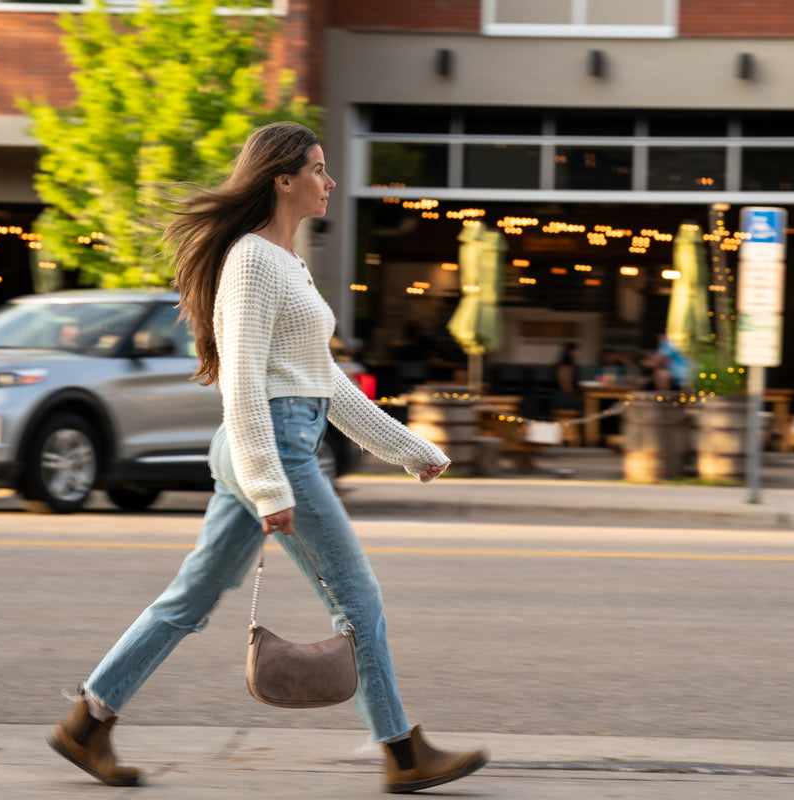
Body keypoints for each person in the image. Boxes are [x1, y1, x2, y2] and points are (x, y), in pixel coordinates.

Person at [47, 122, 488, 794]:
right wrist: (268, 483)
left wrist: (407, 447)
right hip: (273, 448)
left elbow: (323, 379)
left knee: (189, 600)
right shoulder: (251, 261)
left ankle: (87, 723)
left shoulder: (287, 263)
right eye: (316, 168)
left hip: (277, 443)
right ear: (282, 179)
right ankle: (402, 753)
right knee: (357, 599)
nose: (329, 181)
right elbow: (245, 378)